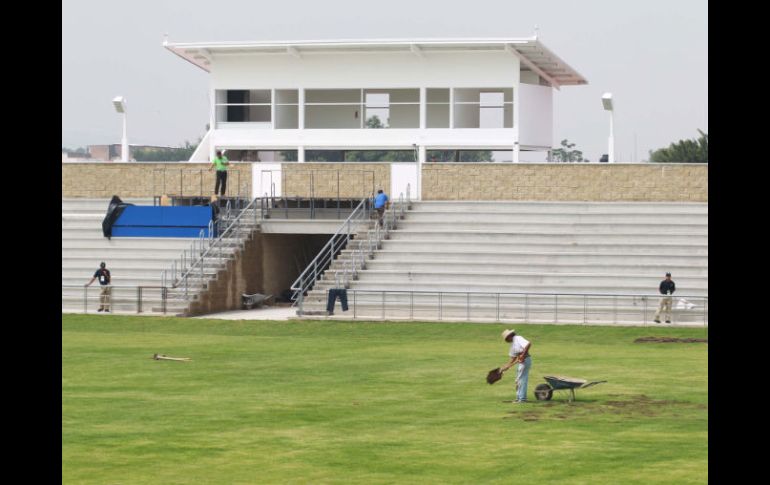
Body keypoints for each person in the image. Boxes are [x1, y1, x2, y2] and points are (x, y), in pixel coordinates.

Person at [499, 329, 532, 403]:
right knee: (518, 380)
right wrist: (504, 368)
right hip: (521, 362)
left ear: (509, 336)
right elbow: (512, 359)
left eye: (506, 338)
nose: (506, 340)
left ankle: (522, 399)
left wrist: (523, 355)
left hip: (526, 360)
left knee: (521, 379)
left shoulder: (518, 338)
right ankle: (518, 398)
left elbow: (528, 344)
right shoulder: (512, 345)